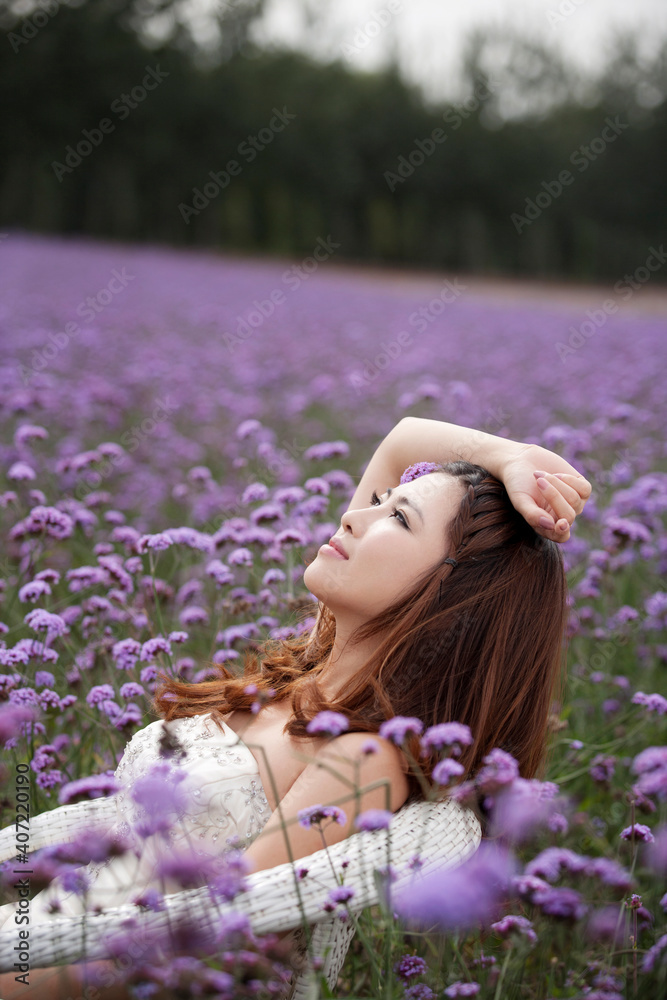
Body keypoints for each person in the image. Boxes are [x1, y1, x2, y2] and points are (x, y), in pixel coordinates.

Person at [0, 416, 592, 999]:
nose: (354, 515)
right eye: (380, 498)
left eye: (397, 517)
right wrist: (513, 458)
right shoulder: (312, 671)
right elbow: (403, 439)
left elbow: (208, 934)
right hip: (52, 932)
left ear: (451, 597)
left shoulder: (358, 758)